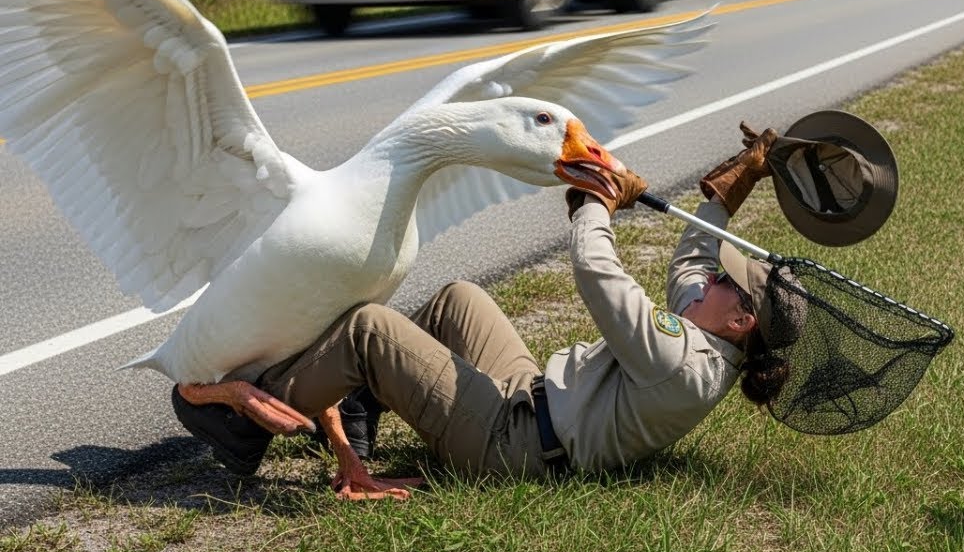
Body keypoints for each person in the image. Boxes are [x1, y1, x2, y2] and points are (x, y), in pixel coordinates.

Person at [173, 126, 804, 498]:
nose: (715, 277)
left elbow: (596, 273)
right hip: (531, 397)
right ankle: (357, 404)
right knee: (458, 300)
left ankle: (246, 420)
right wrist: (726, 195)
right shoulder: (713, 335)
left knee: (371, 329)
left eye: (731, 281)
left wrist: (597, 203)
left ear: (742, 319)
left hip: (514, 444)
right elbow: (695, 261)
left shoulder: (684, 364)